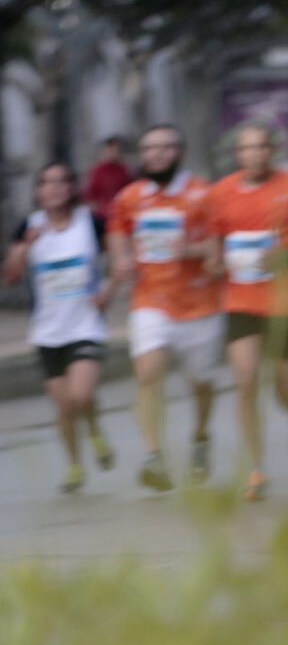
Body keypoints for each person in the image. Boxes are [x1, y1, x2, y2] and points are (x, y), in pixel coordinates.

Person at [104, 123, 218, 490]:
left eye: (165, 148)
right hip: (151, 301)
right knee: (148, 375)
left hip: (201, 304)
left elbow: (220, 251)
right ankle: (155, 457)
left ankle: (200, 436)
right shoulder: (130, 197)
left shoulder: (203, 194)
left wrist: (194, 251)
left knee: (200, 382)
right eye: (150, 149)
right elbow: (118, 234)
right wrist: (121, 260)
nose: (156, 155)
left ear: (178, 152)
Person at [2, 161, 113, 493]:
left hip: (86, 324)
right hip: (48, 330)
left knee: (80, 394)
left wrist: (109, 288)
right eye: (46, 183)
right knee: (64, 405)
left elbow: (121, 255)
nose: (53, 189)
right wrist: (24, 246)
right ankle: (75, 466)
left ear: (71, 187)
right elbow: (10, 275)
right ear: (38, 190)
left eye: (61, 182)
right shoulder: (29, 226)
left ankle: (93, 429)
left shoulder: (90, 223)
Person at [200, 122, 288, 501]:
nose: (256, 154)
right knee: (245, 380)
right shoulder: (222, 192)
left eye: (262, 147)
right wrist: (213, 262)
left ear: (273, 150)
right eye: (248, 148)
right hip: (240, 302)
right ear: (238, 154)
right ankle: (257, 469)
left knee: (284, 390)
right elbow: (212, 242)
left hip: (282, 303)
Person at [84, 135, 134, 223]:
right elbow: (91, 196)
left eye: (115, 150)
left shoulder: (125, 170)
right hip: (102, 216)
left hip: (122, 214)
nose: (113, 153)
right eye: (110, 150)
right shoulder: (97, 171)